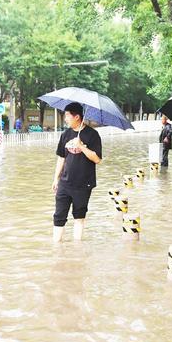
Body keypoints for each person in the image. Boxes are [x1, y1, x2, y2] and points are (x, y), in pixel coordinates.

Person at [51, 102, 102, 242]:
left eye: (67, 116)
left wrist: (81, 146)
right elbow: (61, 157)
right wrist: (56, 179)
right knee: (58, 216)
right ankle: (56, 248)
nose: (65, 119)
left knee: (79, 217)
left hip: (83, 185)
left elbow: (97, 159)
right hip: (64, 183)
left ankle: (77, 249)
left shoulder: (93, 135)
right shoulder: (65, 135)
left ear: (77, 117)